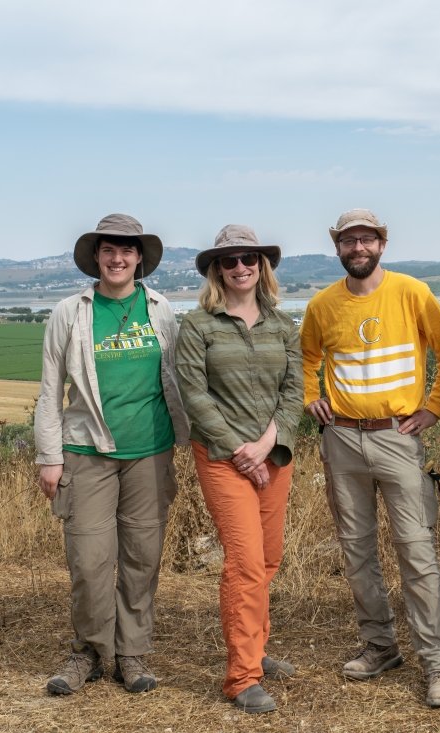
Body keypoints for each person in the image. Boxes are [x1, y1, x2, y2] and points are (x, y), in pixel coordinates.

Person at [300, 208, 440, 709]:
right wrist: (311, 396)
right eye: (349, 241)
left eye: (366, 239)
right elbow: (307, 358)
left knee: (416, 550)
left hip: (397, 436)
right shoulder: (323, 305)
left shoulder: (411, 292)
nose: (358, 247)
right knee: (357, 550)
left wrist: (434, 408)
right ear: (339, 248)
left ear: (381, 244)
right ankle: (380, 645)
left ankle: (438, 663)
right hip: (342, 439)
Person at [35, 213, 189, 695]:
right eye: (108, 250)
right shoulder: (70, 312)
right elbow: (49, 389)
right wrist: (49, 456)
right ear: (96, 257)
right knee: (89, 559)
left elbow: (180, 380)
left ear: (140, 258)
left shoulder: (161, 309)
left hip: (150, 452)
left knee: (143, 556)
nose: (117, 258)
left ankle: (132, 654)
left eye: (127, 250)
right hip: (86, 451)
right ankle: (88, 652)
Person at [175, 224, 303, 714]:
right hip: (222, 460)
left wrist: (270, 440)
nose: (241, 267)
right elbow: (194, 395)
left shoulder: (281, 326)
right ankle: (242, 677)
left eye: (249, 258)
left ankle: (257, 649)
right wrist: (237, 449)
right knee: (245, 562)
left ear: (261, 265)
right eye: (230, 261)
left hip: (274, 457)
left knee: (268, 559)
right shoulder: (198, 326)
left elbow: (294, 391)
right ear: (217, 270)